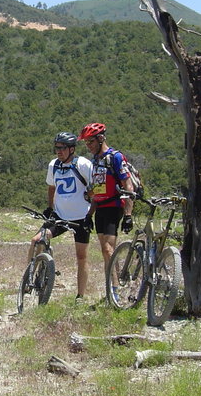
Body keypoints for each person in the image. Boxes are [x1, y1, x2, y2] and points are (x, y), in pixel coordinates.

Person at [31, 132, 93, 302]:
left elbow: (95, 188)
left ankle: (80, 295)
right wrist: (50, 208)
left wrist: (91, 211)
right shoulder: (54, 165)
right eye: (56, 147)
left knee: (81, 257)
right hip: (59, 216)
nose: (58, 151)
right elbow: (51, 187)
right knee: (36, 240)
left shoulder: (83, 164)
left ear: (72, 149)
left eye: (62, 148)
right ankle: (31, 276)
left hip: (81, 218)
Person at [78, 123, 134, 286]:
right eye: (86, 143)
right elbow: (97, 190)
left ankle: (114, 289)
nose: (88, 146)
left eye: (91, 142)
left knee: (109, 250)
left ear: (101, 138)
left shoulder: (115, 157)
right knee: (105, 252)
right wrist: (89, 215)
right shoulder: (95, 160)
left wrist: (128, 215)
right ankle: (112, 286)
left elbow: (128, 186)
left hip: (114, 207)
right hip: (100, 209)